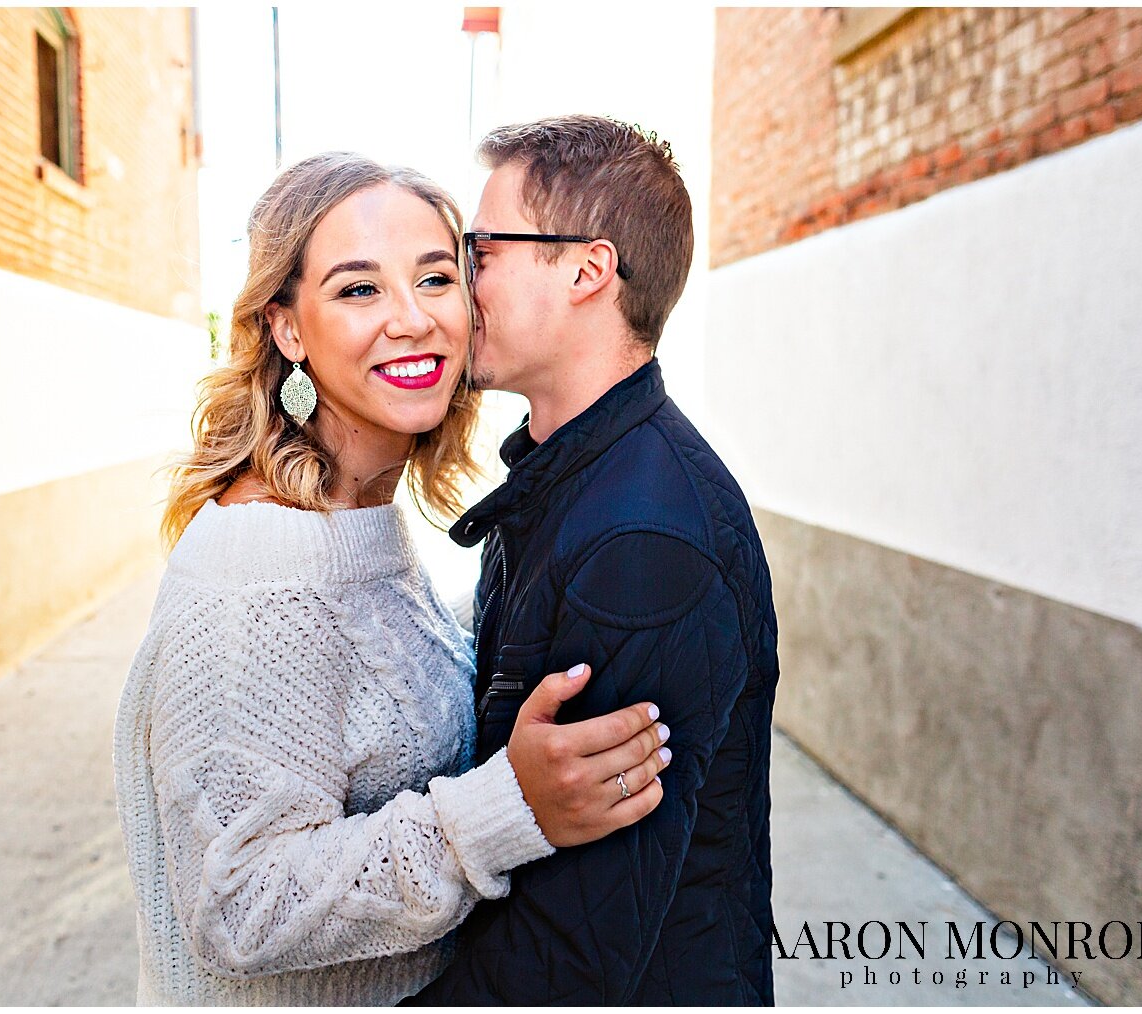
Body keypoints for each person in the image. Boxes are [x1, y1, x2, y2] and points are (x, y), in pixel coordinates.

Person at [112, 152, 673, 1006]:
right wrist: (503, 811)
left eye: (436, 277)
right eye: (357, 289)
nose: (411, 319)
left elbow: (364, 678)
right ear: (287, 327)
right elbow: (238, 906)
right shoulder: (255, 576)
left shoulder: (356, 511)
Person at [405, 116, 781, 1005]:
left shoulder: (641, 547)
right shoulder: (569, 468)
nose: (462, 282)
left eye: (481, 249)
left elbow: (572, 947)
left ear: (586, 270)